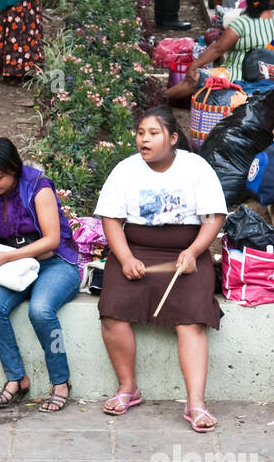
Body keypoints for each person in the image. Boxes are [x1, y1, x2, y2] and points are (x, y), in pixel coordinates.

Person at [96, 108, 228, 432]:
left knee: (192, 318)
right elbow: (111, 220)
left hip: (186, 253)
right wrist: (125, 258)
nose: (144, 139)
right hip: (135, 250)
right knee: (113, 311)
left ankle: (195, 403)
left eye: (153, 133)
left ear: (171, 138)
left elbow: (214, 217)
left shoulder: (197, 168)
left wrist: (195, 252)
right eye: (141, 132)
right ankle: (128, 387)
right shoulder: (125, 170)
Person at [0, 139, 80, 412]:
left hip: (55, 264)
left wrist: (9, 256)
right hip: (12, 271)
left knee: (40, 310)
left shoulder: (38, 186)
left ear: (14, 169)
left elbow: (51, 240)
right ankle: (17, 378)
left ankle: (61, 380)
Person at [173, 0, 274, 99]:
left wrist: (193, 66)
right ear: (269, 0)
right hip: (271, 74)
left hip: (238, 74)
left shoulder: (242, 23)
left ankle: (163, 98)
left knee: (195, 79)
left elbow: (218, 49)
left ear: (248, 1)